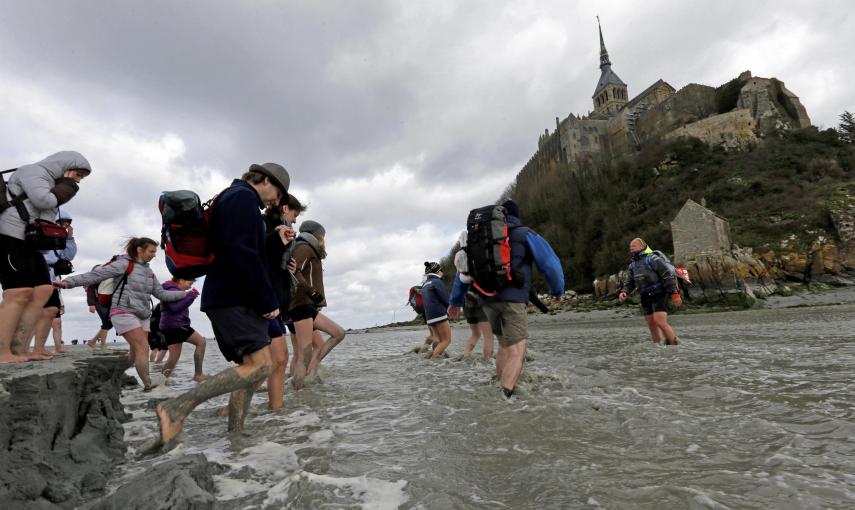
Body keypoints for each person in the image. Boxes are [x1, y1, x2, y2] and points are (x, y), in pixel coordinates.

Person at [156, 162, 289, 445]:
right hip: (234, 297)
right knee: (262, 366)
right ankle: (176, 408)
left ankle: (236, 438)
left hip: (228, 295)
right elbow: (242, 253)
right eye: (277, 194)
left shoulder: (231, 197)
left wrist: (273, 239)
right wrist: (266, 300)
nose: (275, 202)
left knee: (249, 368)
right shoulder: (242, 198)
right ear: (264, 179)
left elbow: (238, 246)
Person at [449, 200, 564, 399]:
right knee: (517, 350)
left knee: (503, 345)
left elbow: (463, 272)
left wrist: (455, 301)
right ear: (516, 216)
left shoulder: (480, 238)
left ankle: (500, 386)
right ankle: (505, 397)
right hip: (513, 299)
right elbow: (550, 263)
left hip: (487, 301)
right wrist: (557, 291)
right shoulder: (524, 233)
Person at [57, 237, 188, 389]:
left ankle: (113, 375)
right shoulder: (124, 264)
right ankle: (148, 384)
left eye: (155, 252)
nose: (154, 255)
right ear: (140, 250)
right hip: (123, 311)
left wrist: (183, 294)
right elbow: (95, 276)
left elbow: (161, 294)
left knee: (134, 354)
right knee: (143, 348)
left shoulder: (149, 272)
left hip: (143, 314)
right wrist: (68, 282)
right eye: (151, 251)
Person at [0, 151, 90, 363]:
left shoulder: (51, 181)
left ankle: (20, 349)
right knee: (17, 293)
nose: (78, 180)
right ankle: (2, 352)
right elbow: (43, 200)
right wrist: (68, 184)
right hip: (9, 237)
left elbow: (45, 215)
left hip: (30, 244)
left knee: (44, 290)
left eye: (80, 178)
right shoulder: (33, 171)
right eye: (78, 174)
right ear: (65, 166)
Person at [288, 220, 346, 389]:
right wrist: (313, 294)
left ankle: (306, 378)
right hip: (301, 304)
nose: (323, 240)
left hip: (302, 305)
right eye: (323, 236)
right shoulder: (304, 248)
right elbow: (293, 272)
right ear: (317, 235)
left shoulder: (305, 247)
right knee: (305, 353)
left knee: (302, 352)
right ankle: (299, 388)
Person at [262, 195, 303, 410]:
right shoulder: (267, 226)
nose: (295, 220)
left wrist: (289, 267)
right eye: (294, 214)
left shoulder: (279, 230)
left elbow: (274, 263)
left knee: (278, 360)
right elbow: (259, 259)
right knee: (262, 364)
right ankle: (229, 413)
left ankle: (277, 414)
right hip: (265, 302)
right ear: (285, 208)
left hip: (274, 301)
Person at [618, 238, 682, 345]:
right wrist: (624, 292)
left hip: (659, 293)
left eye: (634, 245)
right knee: (651, 324)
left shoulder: (652, 258)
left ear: (642, 247)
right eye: (630, 246)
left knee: (660, 322)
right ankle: (657, 348)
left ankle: (674, 346)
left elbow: (667, 276)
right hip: (645, 296)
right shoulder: (632, 265)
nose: (631, 248)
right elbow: (629, 282)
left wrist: (674, 294)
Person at [32, 210, 78, 356]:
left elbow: (68, 256)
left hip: (51, 280)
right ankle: (27, 347)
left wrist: (69, 239)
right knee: (32, 314)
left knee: (54, 315)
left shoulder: (58, 241)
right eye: (62, 223)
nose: (65, 227)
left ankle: (50, 347)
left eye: (67, 224)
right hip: (36, 277)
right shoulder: (39, 233)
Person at [453, 231, 494, 361]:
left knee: (475, 334)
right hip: (479, 300)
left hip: (466, 303)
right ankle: (487, 362)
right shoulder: (479, 255)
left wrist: (454, 303)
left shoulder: (459, 259)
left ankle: (465, 357)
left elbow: (457, 284)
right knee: (488, 336)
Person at [159, 278, 207, 382]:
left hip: (169, 325)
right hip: (177, 325)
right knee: (201, 343)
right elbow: (175, 308)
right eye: (189, 283)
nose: (190, 286)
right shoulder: (172, 290)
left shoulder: (169, 289)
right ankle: (198, 375)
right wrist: (191, 296)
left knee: (174, 357)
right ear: (181, 280)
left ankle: (160, 382)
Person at [422, 261, 452, 358]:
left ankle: (434, 359)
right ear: (437, 271)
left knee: (438, 340)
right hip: (439, 314)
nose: (442, 272)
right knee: (446, 340)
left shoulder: (425, 284)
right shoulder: (437, 281)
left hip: (429, 317)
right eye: (441, 270)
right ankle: (433, 361)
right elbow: (446, 298)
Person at [85, 263, 113, 350]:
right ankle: (101, 344)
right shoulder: (94, 280)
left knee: (108, 323)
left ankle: (93, 342)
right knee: (107, 323)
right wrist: (91, 304)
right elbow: (90, 291)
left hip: (107, 303)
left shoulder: (106, 279)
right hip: (98, 302)